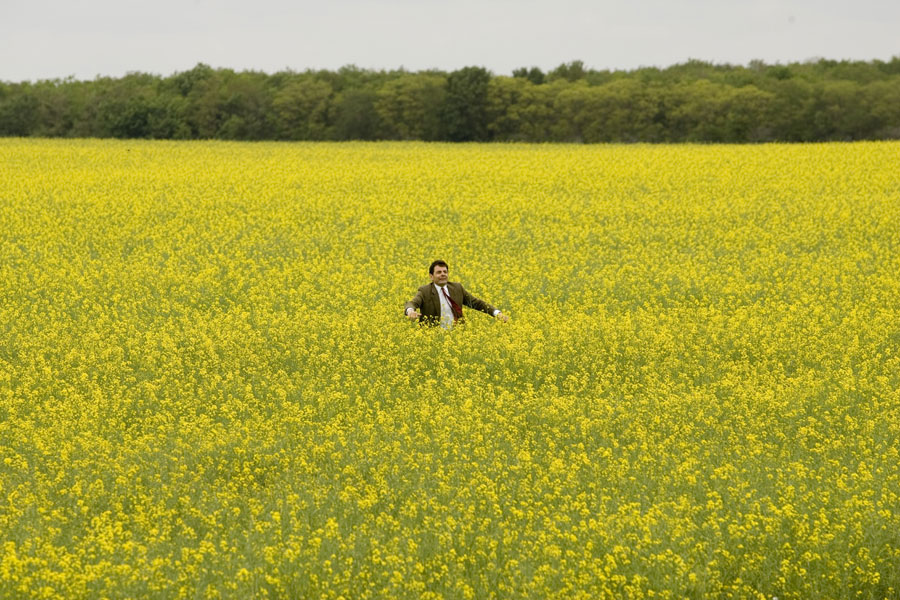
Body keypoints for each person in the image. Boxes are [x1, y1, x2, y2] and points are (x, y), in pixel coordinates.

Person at [405, 260, 509, 329]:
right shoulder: (425, 291)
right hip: (433, 337)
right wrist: (410, 311)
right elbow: (412, 303)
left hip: (456, 335)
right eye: (439, 272)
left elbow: (477, 303)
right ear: (431, 276)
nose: (443, 274)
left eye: (445, 272)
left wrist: (496, 313)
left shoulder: (457, 288)